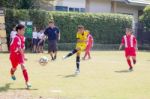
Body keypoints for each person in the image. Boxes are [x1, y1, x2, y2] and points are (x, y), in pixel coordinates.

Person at [9, 24, 31, 89]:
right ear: (18, 30)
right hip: (13, 55)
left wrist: (22, 56)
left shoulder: (23, 38)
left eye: (24, 30)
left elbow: (22, 47)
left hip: (19, 55)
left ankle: (27, 82)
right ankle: (12, 73)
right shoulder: (16, 38)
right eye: (23, 30)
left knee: (23, 66)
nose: (24, 31)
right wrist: (24, 56)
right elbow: (19, 49)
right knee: (14, 68)